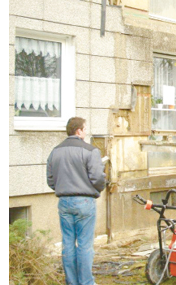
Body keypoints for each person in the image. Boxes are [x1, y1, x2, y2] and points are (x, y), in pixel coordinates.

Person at [47, 117, 106, 285]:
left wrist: (64, 190)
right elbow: (98, 178)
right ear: (79, 131)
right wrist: (96, 191)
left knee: (68, 244)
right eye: (85, 129)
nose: (86, 132)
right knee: (85, 245)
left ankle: (71, 282)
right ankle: (86, 282)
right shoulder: (90, 151)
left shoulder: (55, 151)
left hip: (64, 202)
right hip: (85, 202)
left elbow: (50, 180)